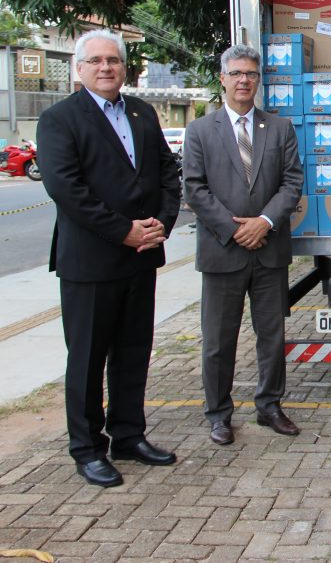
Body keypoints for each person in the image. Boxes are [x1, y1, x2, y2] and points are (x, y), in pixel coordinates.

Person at [36, 29, 181, 487]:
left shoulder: (141, 112)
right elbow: (66, 188)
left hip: (142, 256)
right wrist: (124, 231)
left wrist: (160, 224)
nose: (105, 68)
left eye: (113, 60)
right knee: (87, 358)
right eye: (95, 60)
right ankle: (87, 448)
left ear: (124, 67)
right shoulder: (60, 119)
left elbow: (166, 172)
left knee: (134, 352)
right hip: (92, 262)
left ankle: (128, 436)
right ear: (79, 69)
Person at [182, 44, 304, 446]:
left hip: (268, 250)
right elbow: (195, 189)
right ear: (223, 78)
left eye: (250, 73)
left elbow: (291, 183)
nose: (243, 80)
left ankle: (269, 406)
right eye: (236, 73)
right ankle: (218, 414)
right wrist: (234, 229)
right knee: (219, 341)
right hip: (223, 251)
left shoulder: (280, 128)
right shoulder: (200, 130)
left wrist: (264, 221)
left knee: (271, 336)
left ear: (259, 79)